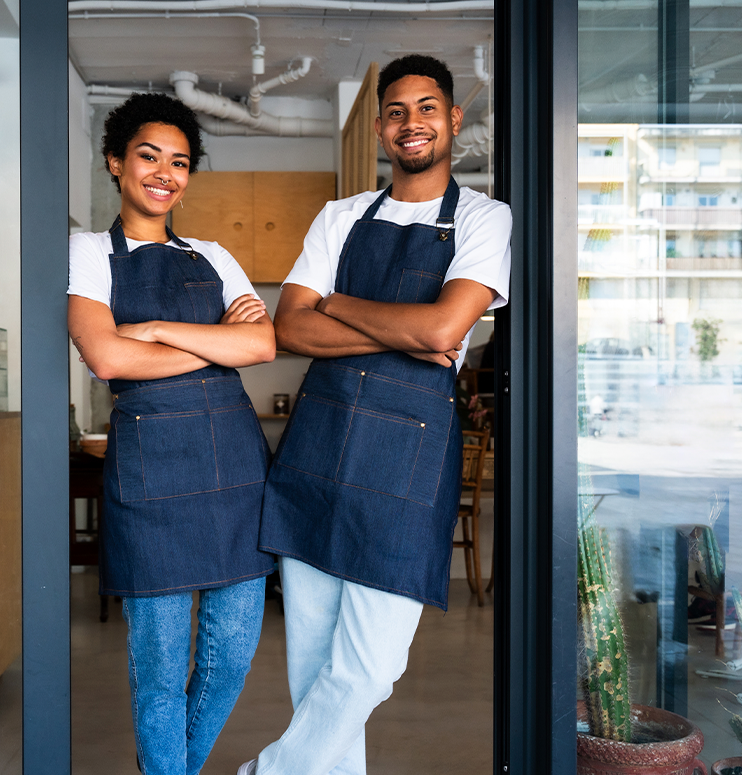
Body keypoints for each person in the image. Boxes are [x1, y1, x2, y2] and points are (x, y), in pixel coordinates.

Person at [240, 55, 512, 775]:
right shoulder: (341, 216)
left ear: (453, 120)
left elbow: (443, 332)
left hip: (406, 465)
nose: (410, 122)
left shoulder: (483, 218)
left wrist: (339, 304)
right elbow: (289, 328)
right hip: (317, 455)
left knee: (367, 671)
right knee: (314, 676)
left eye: (427, 107)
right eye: (396, 111)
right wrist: (408, 326)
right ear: (382, 129)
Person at [67, 93, 276, 775]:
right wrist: (220, 344)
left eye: (180, 161)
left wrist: (155, 331)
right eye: (148, 155)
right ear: (115, 162)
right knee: (158, 671)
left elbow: (265, 343)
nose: (164, 172)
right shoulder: (88, 253)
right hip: (150, 473)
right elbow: (106, 357)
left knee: (231, 657)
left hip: (235, 471)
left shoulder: (213, 254)